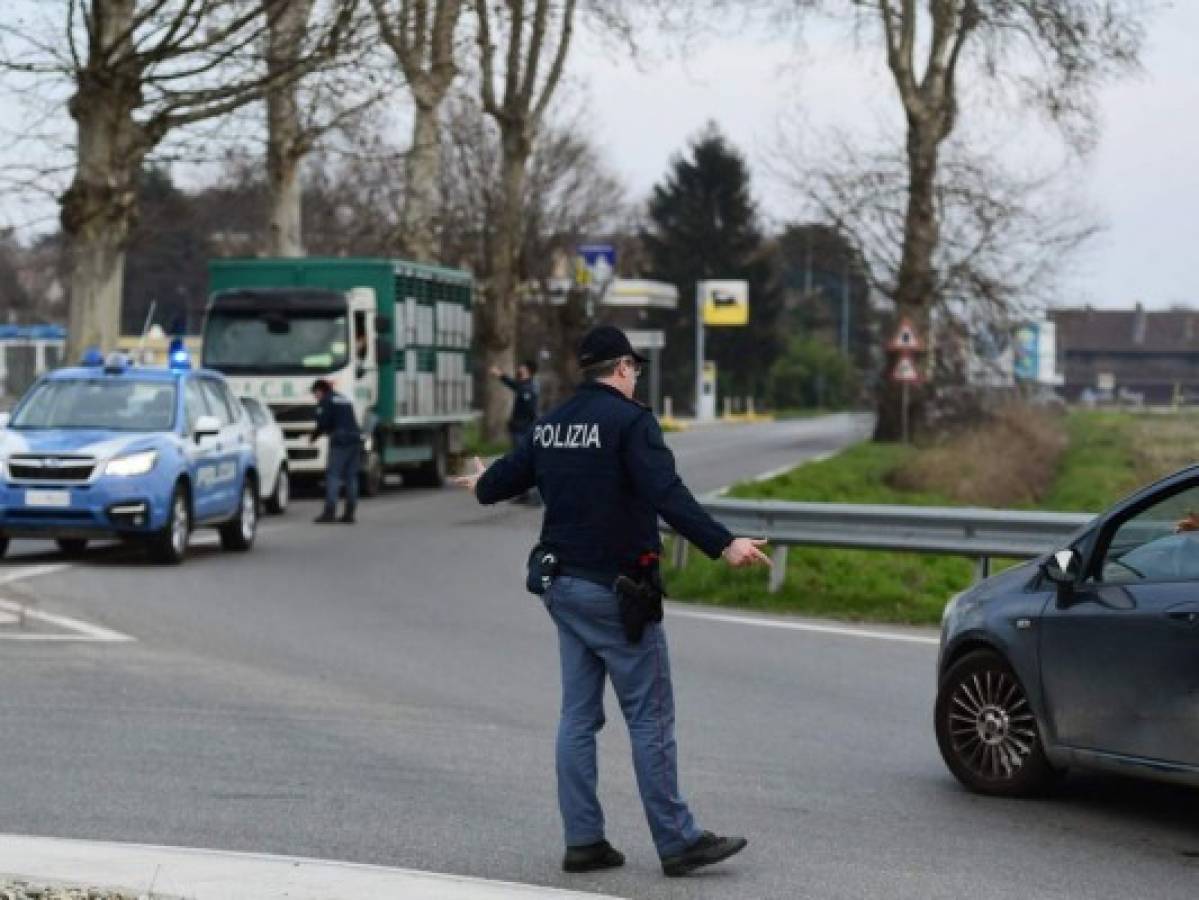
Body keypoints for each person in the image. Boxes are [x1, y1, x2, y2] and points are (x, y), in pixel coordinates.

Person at [455, 324, 771, 879]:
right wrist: (724, 543)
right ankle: (678, 841)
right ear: (622, 367)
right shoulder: (632, 422)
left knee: (577, 718)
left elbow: (499, 481)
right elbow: (666, 494)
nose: (636, 376)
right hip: (617, 593)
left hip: (563, 588)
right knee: (650, 719)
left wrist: (482, 482)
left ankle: (584, 842)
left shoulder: (552, 425)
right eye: (636, 368)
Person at [310, 378, 362, 524]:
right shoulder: (344, 399)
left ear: (320, 390)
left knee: (333, 475)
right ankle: (350, 513)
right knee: (351, 477)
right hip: (355, 438)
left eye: (315, 394)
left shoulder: (326, 401)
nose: (315, 397)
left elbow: (323, 423)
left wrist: (313, 437)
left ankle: (330, 512)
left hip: (340, 440)